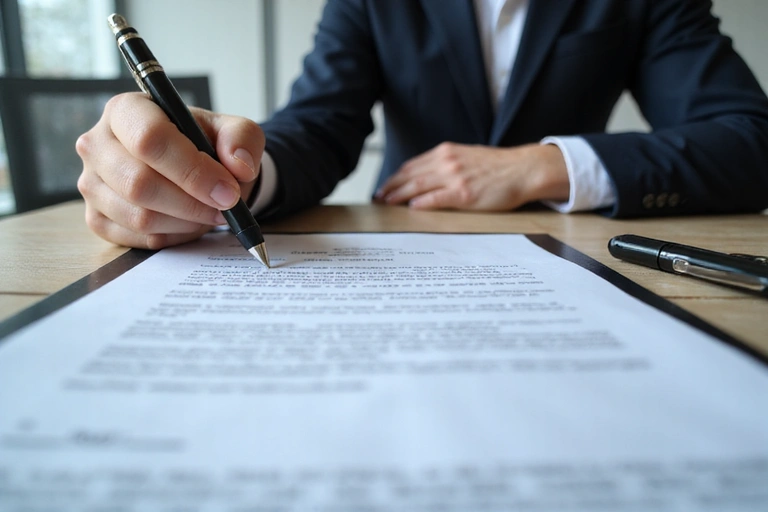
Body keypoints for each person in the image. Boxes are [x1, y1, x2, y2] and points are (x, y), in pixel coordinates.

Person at [77, 0, 768, 250]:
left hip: (574, 249)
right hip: (402, 246)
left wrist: (544, 164)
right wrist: (230, 174)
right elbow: (318, 127)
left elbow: (750, 139)